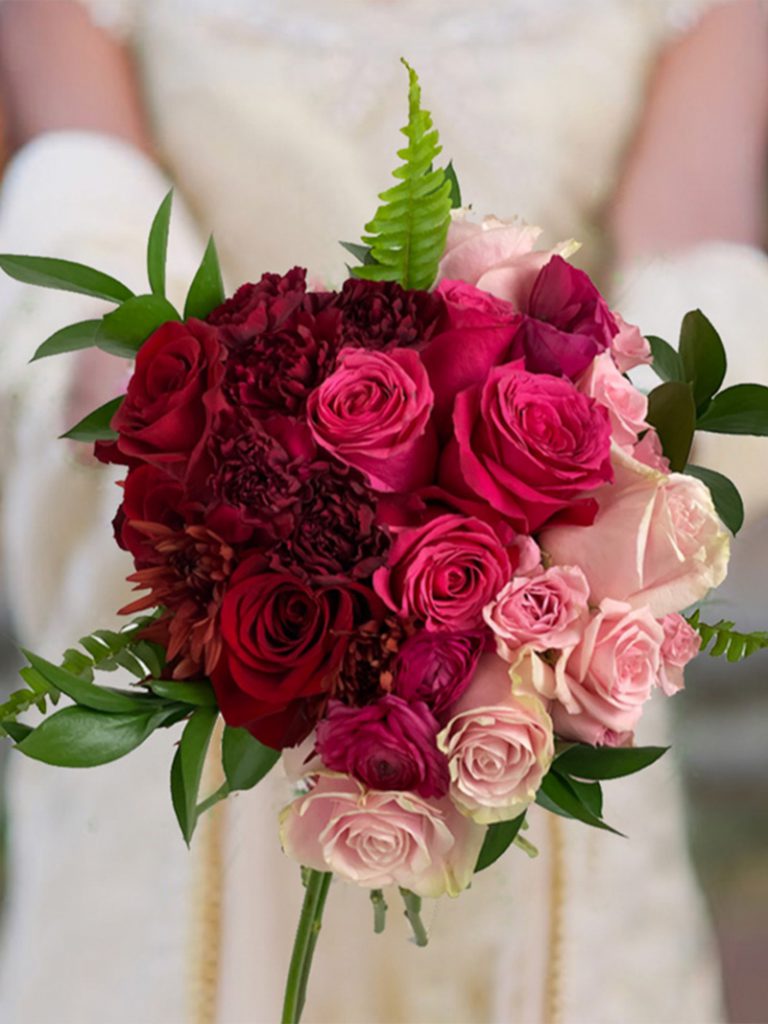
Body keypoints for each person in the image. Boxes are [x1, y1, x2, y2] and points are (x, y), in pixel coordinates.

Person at [0, 2, 766, 1021]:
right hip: (210, 611)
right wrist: (186, 429)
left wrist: (586, 487)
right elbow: (87, 199)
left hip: (534, 643)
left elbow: (688, 249)